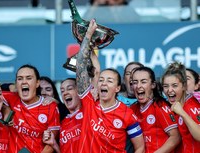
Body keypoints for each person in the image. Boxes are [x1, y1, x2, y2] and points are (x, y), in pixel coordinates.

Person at [75, 19, 145, 153]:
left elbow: (140, 147)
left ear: (117, 88)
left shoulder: (127, 113)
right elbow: (81, 66)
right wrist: (88, 35)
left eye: (109, 81)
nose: (104, 83)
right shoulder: (89, 101)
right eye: (101, 79)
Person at [3, 64, 60, 153]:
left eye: (29, 78)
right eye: (20, 79)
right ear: (16, 84)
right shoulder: (10, 98)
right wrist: (5, 108)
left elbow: (50, 144)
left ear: (37, 83)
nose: (24, 82)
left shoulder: (50, 106)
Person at [130, 66, 181, 152]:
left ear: (153, 85)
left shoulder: (160, 106)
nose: (138, 86)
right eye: (135, 82)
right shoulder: (132, 109)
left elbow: (176, 137)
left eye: (143, 82)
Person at [161, 62, 200, 152]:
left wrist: (183, 113)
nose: (169, 90)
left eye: (175, 86)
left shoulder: (192, 106)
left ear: (184, 86)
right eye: (166, 86)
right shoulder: (178, 105)